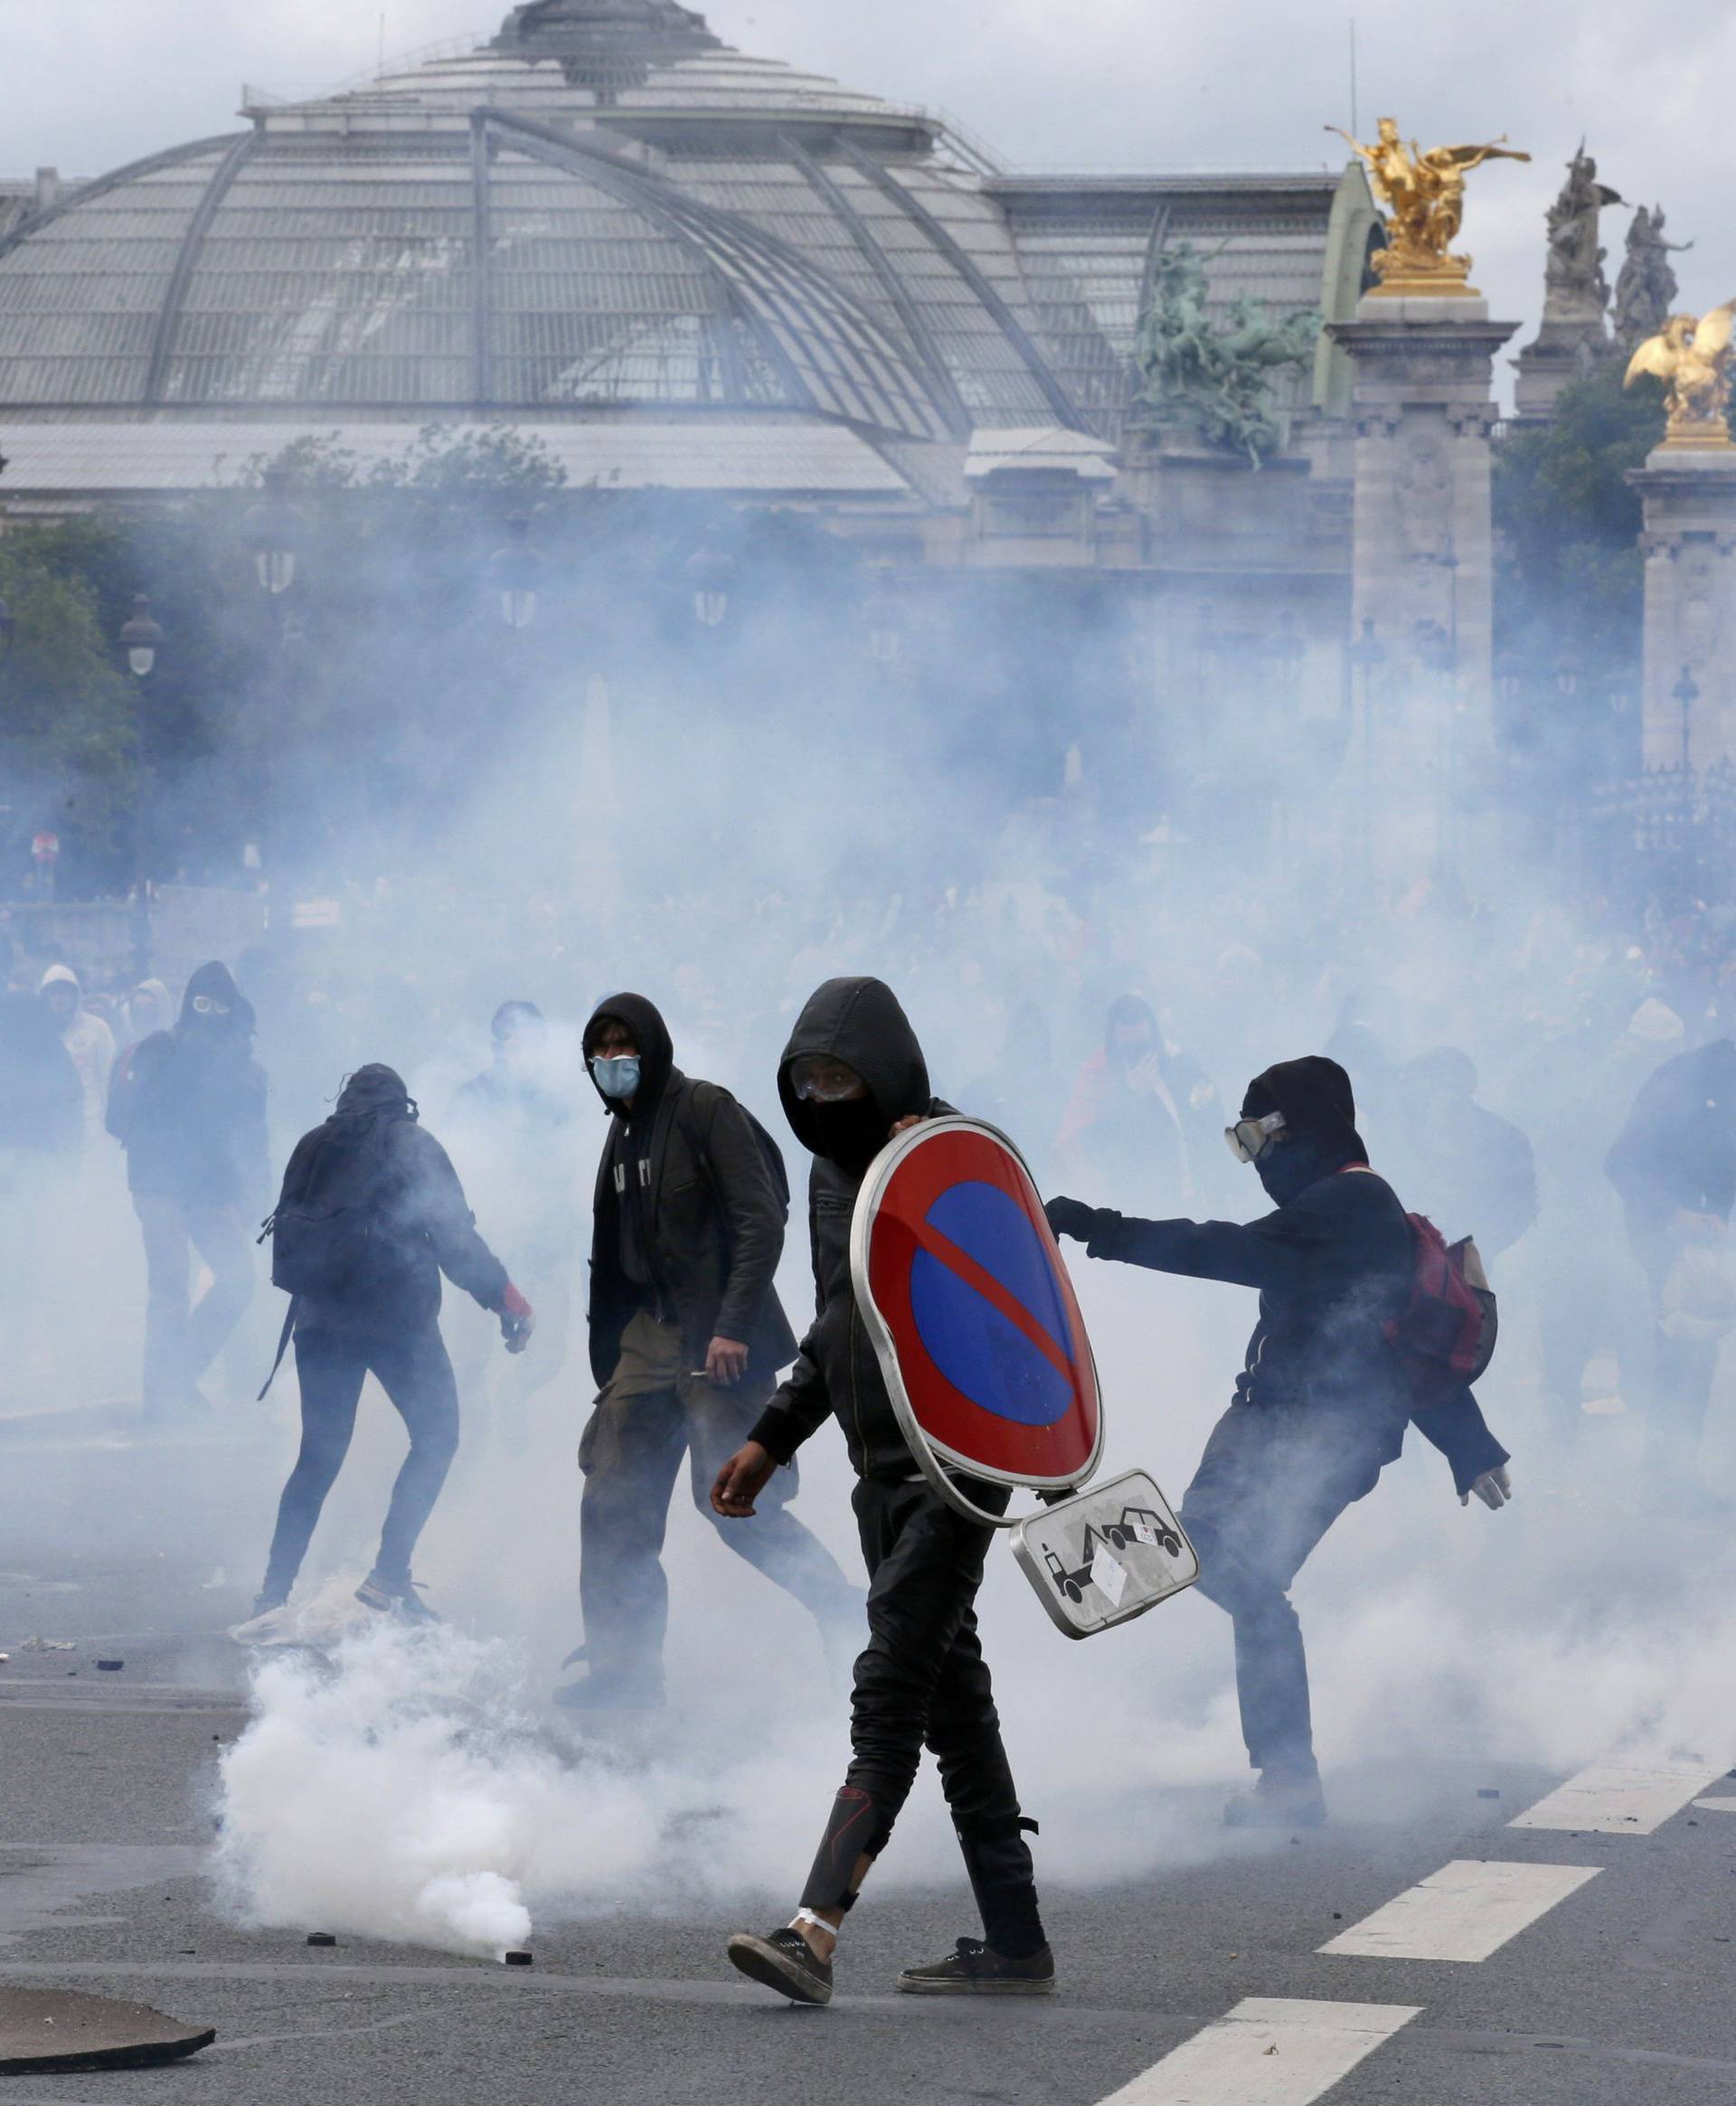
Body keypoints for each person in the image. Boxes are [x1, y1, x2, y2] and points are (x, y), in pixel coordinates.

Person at [1047, 1055, 1513, 1827]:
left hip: (1318, 1433)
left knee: (1231, 1567)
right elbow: (1402, 1337)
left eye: (1258, 1137)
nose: (1256, 1159)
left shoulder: (1350, 1203)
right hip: (1288, 1421)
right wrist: (1470, 1443)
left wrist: (1097, 1227)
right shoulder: (1354, 1204)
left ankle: (1289, 1776)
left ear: (1301, 1130)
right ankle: (1285, 1776)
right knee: (1229, 1570)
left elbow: (1218, 1249)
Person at [714, 977, 1052, 2007]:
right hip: (877, 1478)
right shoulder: (829, 1175)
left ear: (891, 1070)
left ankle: (812, 1930)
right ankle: (1016, 1940)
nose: (823, 1096)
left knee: (890, 1688)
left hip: (956, 1471)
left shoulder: (950, 1163)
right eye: (807, 1079)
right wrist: (772, 1436)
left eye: (842, 1075)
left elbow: (1021, 1321)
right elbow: (837, 1325)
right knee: (956, 1704)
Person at [567, 992, 859, 1710]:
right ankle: (624, 1672)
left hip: (715, 1335)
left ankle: (846, 1611)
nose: (611, 1059)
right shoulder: (621, 1133)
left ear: (653, 1046)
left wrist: (732, 1323)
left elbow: (760, 1215)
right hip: (647, 1335)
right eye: (598, 1049)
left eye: (621, 1044)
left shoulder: (705, 1108)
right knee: (611, 1504)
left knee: (730, 1499)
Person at [244, 1063, 534, 1629]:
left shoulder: (312, 1144)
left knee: (319, 1456)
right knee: (437, 1437)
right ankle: (388, 1577)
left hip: (321, 1319)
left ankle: (271, 1596)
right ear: (403, 1104)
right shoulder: (413, 1144)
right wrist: (505, 1299)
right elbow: (455, 1237)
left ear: (346, 1099)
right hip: (397, 1322)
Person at [106, 962, 269, 1421]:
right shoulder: (161, 1049)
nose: (209, 1014)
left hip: (209, 1190)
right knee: (171, 1289)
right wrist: (186, 1067)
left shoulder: (242, 1066)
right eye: (201, 1004)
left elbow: (252, 1138)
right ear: (186, 1004)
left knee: (239, 1279)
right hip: (159, 1185)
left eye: (220, 1007)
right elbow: (125, 1119)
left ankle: (178, 1375)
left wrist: (256, 1197)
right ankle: (160, 1398)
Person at [448, 1000, 583, 1446]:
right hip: (489, 1252)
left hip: (546, 1247)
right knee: (470, 1359)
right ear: (498, 1044)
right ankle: (472, 1445)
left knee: (548, 1354)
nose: (526, 1049)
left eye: (535, 1040)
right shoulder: (471, 1096)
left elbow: (575, 1170)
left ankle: (511, 1401)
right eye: (516, 1039)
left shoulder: (559, 1100)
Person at [1605, 1038, 1736, 1497]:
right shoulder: (1682, 1081)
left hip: (1720, 1235)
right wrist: (1673, 1213)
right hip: (1677, 1240)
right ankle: (1670, 1481)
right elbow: (1623, 1162)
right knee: (1688, 1353)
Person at [1055, 994, 1222, 1214]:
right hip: (1144, 1200)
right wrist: (1131, 1096)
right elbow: (1097, 1146)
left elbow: (1211, 1121)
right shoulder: (1100, 1077)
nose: (1137, 1051)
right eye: (1127, 1042)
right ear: (1115, 1039)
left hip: (1198, 1190)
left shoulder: (1181, 1065)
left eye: (1141, 1040)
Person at [1383, 1048, 1537, 1257]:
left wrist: (1478, 1249)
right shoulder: (1402, 1137)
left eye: (1432, 1087)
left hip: (1472, 1260)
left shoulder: (1505, 1139)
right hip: (1411, 1259)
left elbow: (1520, 1205)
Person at [40, 963, 116, 1151]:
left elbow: (109, 1075)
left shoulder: (97, 1029)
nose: (59, 999)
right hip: (52, 1123)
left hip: (92, 1121)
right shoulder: (38, 1033)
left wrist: (111, 1118)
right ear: (45, 997)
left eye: (65, 992)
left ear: (76, 995)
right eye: (53, 993)